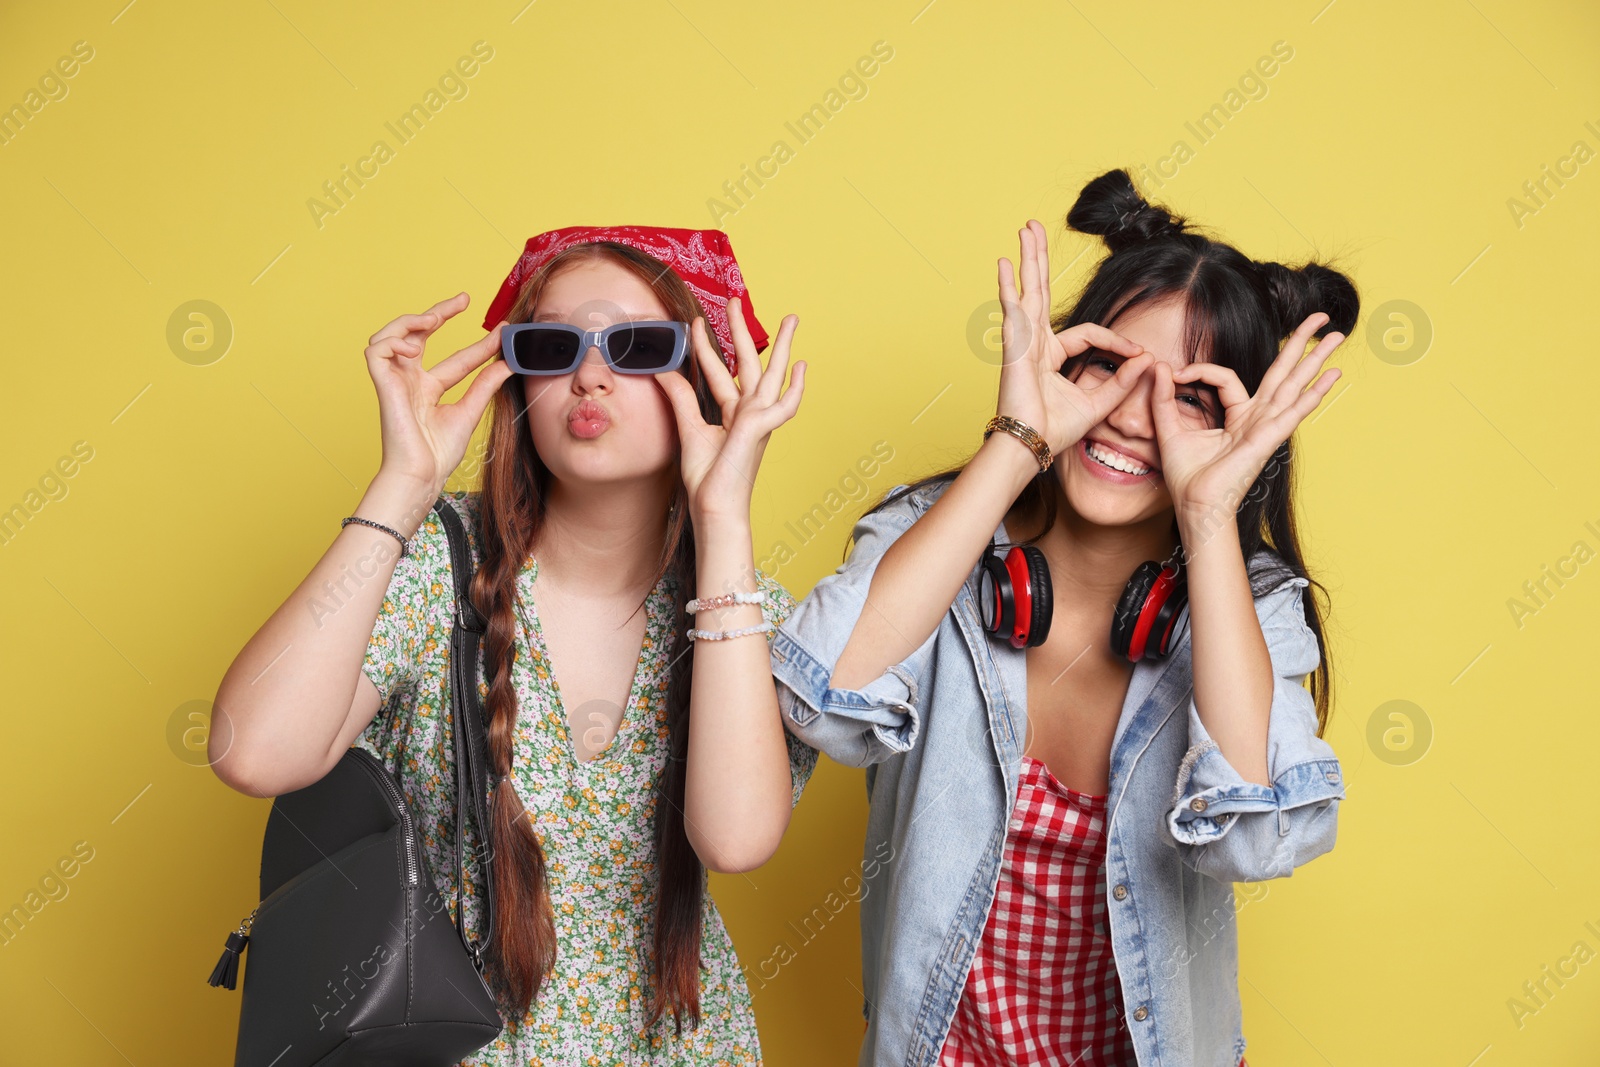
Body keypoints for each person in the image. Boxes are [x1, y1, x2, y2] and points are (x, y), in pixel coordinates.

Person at [771, 169, 1358, 1067]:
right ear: (1060, 358)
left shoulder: (1254, 606)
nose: (1131, 417)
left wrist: (1209, 518)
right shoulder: (934, 542)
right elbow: (819, 700)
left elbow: (1253, 836)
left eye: (1189, 399)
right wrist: (1016, 443)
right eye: (1110, 366)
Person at [211, 225, 817, 1065]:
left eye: (638, 345)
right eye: (553, 343)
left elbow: (737, 839)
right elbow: (253, 752)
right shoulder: (437, 562)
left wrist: (723, 519)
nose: (589, 373)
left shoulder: (739, 611)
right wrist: (403, 486)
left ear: (705, 383)